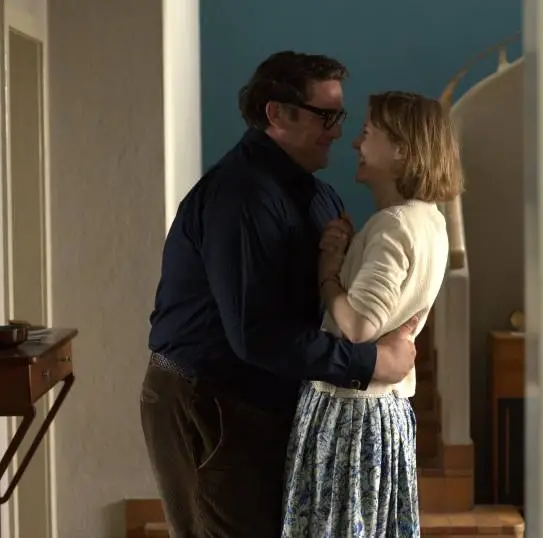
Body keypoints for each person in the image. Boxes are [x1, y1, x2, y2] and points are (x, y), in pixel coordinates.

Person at [139, 52, 419, 538]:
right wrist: (370, 362)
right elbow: (258, 335)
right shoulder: (241, 197)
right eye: (325, 116)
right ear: (277, 114)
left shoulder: (316, 195)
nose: (339, 132)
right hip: (208, 398)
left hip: (259, 396)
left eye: (340, 116)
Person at [281, 91, 464, 538]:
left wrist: (328, 273)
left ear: (402, 150)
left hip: (351, 413)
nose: (355, 143)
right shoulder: (429, 220)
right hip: (384, 410)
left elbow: (359, 326)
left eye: (367, 133)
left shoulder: (393, 225)